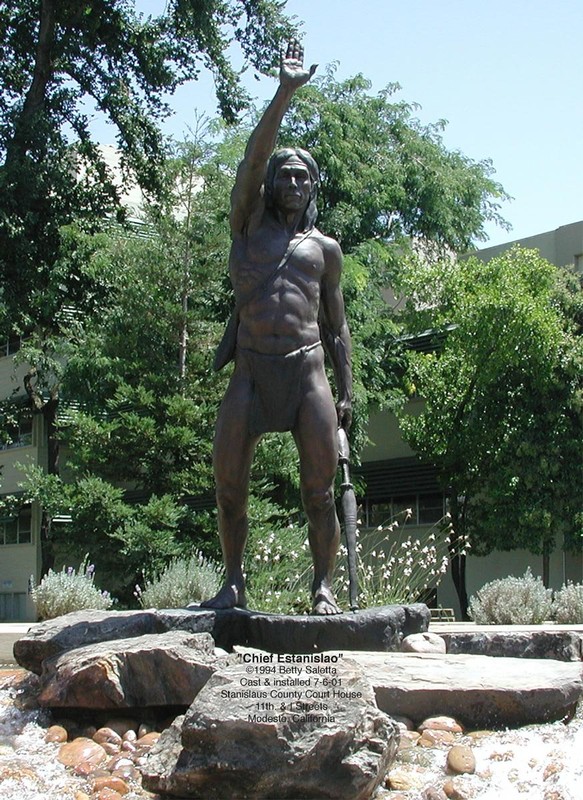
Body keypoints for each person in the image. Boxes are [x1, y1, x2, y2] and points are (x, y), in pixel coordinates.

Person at [202, 41, 352, 615]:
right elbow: (250, 159)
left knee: (318, 493)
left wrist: (347, 392)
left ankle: (323, 588)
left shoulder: (326, 251)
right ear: (270, 185)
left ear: (313, 189)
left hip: (308, 373)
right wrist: (285, 92)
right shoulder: (246, 227)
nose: (293, 183)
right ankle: (234, 582)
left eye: (302, 178)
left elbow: (336, 327)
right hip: (251, 372)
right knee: (228, 486)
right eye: (284, 176)